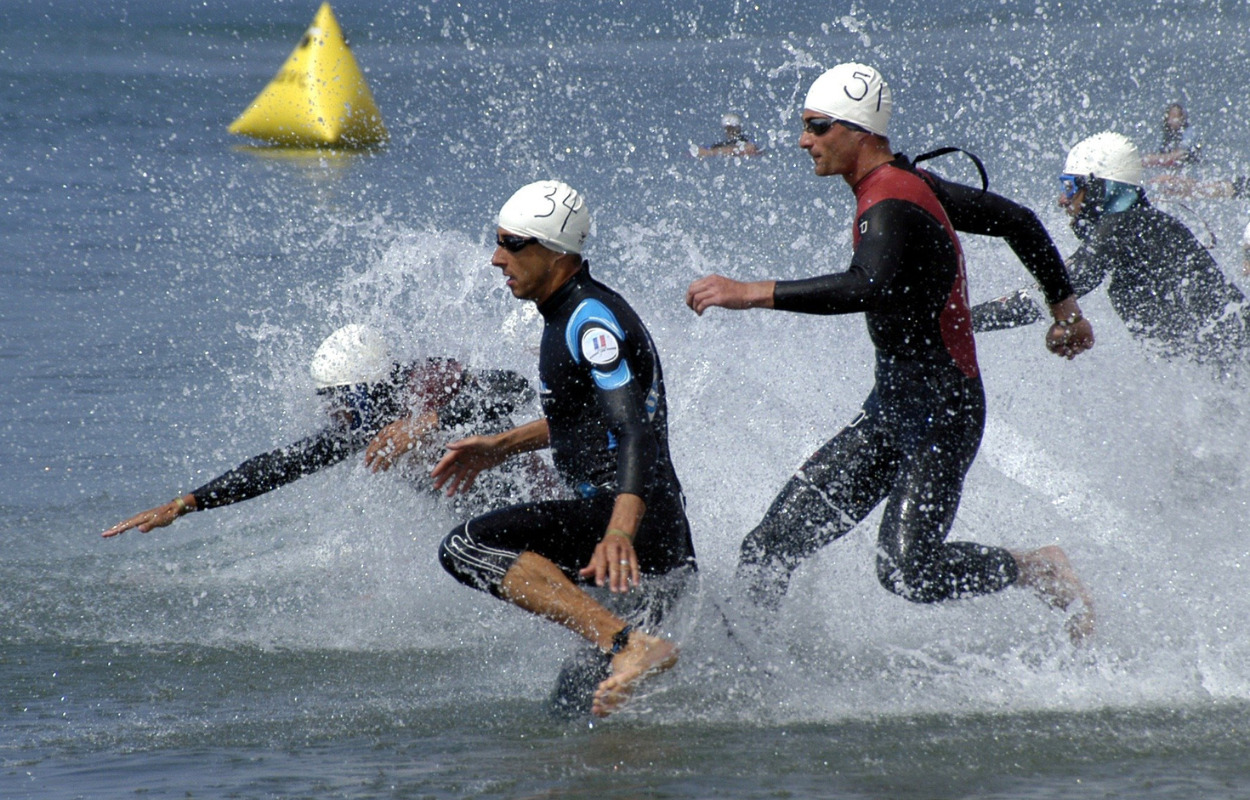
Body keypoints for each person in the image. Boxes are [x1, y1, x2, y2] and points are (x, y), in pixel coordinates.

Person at [684, 63, 1095, 642]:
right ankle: (750, 673)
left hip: (942, 415)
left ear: (860, 132)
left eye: (817, 127)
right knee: (770, 545)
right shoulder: (907, 185)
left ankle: (1036, 568)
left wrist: (752, 292)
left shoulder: (893, 201)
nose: (804, 140)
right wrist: (1065, 311)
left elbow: (867, 285)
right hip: (891, 411)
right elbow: (1017, 220)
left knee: (908, 570)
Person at [430, 181, 698, 717]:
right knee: (576, 714)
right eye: (498, 241)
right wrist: (501, 446)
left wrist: (619, 532)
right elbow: (584, 417)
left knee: (465, 548)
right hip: (651, 541)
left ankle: (628, 645)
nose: (495, 257)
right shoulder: (568, 312)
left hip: (629, 529)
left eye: (512, 243)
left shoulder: (588, 320)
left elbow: (634, 430)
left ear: (554, 252)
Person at [102, 324, 542, 538]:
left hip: (532, 498)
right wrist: (186, 503)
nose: (335, 411)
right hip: (484, 517)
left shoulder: (426, 385)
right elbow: (282, 465)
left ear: (373, 386)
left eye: (342, 398)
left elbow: (514, 386)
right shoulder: (363, 425)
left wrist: (427, 422)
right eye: (328, 400)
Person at [973, 132, 1250, 367]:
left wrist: (956, 319)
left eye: (1069, 187)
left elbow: (1054, 289)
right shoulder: (1144, 225)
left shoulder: (1123, 226)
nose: (1061, 200)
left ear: (1098, 188)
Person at [1141, 103, 1201, 169]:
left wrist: (1157, 159)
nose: (1172, 120)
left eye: (1175, 116)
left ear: (1182, 118)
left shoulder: (1189, 132)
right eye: (1170, 117)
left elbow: (1181, 154)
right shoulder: (1166, 133)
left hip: (1190, 166)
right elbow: (1156, 153)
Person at [696, 112, 762, 158]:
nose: (730, 132)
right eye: (728, 129)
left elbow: (750, 149)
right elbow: (701, 151)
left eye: (732, 128)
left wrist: (712, 153)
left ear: (738, 128)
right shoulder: (724, 144)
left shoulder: (746, 140)